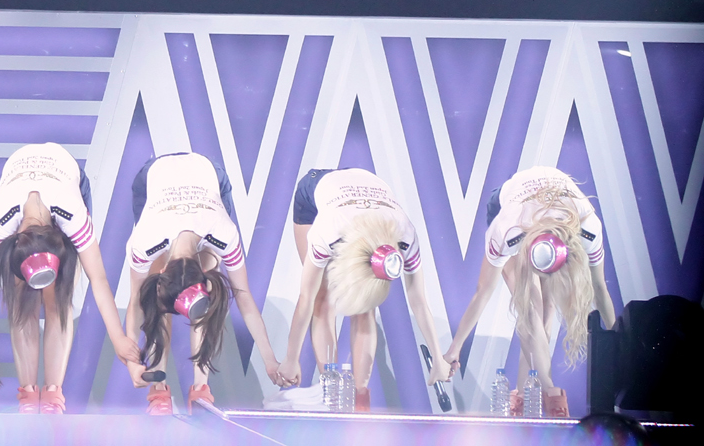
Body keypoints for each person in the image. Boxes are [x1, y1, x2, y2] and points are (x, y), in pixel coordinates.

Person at [122, 152, 291, 414]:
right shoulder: (146, 241)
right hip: (154, 178)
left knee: (197, 300)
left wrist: (270, 359)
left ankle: (201, 388)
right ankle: (158, 389)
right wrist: (132, 360)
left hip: (209, 178)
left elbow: (244, 297)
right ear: (164, 269)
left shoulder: (224, 234)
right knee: (158, 300)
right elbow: (136, 301)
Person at [0, 143, 140, 413]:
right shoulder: (0, 221)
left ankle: (53, 394)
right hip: (16, 177)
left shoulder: (73, 216)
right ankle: (28, 394)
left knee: (58, 300)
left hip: (66, 180)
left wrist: (119, 339)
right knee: (22, 300)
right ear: (15, 237)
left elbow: (98, 279)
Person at [444, 166, 616, 419]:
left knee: (546, 315)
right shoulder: (507, 230)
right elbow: (483, 291)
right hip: (511, 208)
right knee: (530, 304)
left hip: (555, 215)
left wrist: (618, 344)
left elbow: (599, 288)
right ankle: (548, 391)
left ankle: (525, 395)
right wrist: (455, 348)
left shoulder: (588, 227)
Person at [276, 167, 451, 409]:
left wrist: (438, 359)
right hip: (316, 190)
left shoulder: (405, 235)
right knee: (322, 298)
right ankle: (332, 395)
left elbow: (419, 300)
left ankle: (360, 399)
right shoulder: (327, 231)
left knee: (366, 307)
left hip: (366, 185)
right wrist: (291, 359)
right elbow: (306, 297)